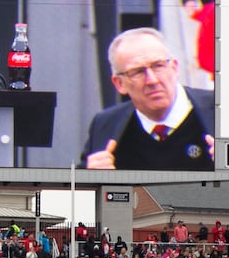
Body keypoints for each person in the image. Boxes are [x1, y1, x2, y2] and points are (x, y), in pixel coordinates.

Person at [82, 27, 214, 171]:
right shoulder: (106, 125)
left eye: (158, 66)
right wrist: (91, 180)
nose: (152, 80)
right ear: (119, 84)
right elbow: (73, 186)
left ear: (174, 68)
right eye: (137, 72)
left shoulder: (222, 112)